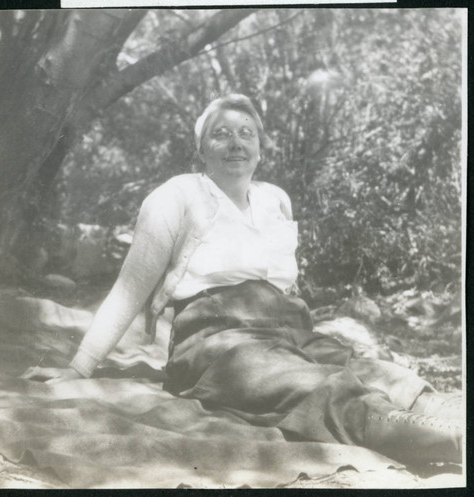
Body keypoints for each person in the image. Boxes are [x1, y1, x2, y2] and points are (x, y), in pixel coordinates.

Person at [23, 94, 462, 466]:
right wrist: (79, 366)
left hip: (290, 329)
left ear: (260, 148)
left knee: (376, 371)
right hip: (217, 341)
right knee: (313, 386)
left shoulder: (276, 201)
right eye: (221, 134)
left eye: (246, 133)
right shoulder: (176, 196)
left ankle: (445, 419)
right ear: (201, 150)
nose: (236, 144)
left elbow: (285, 288)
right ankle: (440, 440)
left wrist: (307, 340)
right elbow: (130, 287)